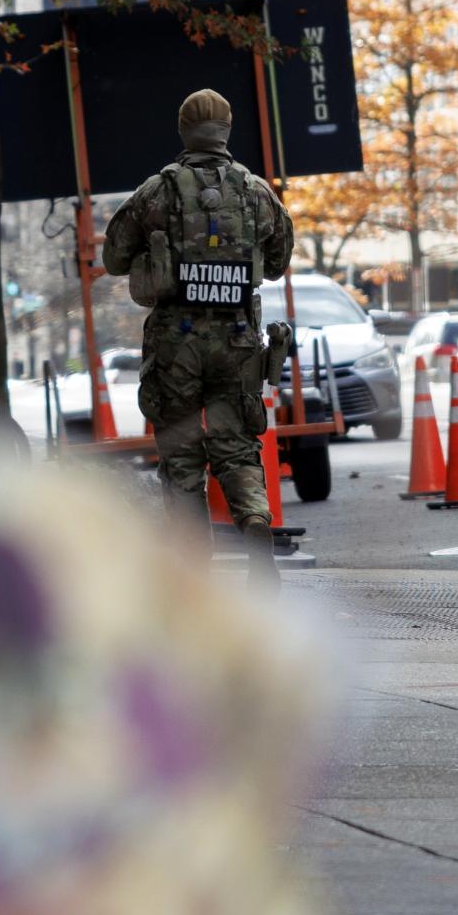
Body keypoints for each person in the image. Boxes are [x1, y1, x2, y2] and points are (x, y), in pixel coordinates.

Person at [103, 88, 294, 587]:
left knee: (182, 449)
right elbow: (277, 262)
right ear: (227, 131)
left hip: (176, 343)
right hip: (236, 339)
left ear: (184, 130)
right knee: (235, 446)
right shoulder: (256, 192)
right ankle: (254, 519)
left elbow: (113, 256)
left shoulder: (160, 190)